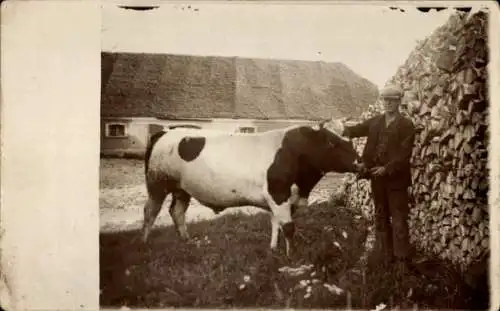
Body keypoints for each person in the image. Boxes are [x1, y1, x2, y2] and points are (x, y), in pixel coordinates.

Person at [342, 85, 416, 276]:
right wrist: (340, 129)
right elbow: (356, 130)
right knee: (381, 217)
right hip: (377, 180)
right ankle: (385, 257)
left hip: (396, 182)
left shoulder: (406, 125)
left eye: (392, 100)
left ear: (399, 101)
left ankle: (402, 262)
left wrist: (387, 168)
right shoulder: (376, 122)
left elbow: (403, 155)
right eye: (385, 100)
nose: (388, 103)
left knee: (399, 221)